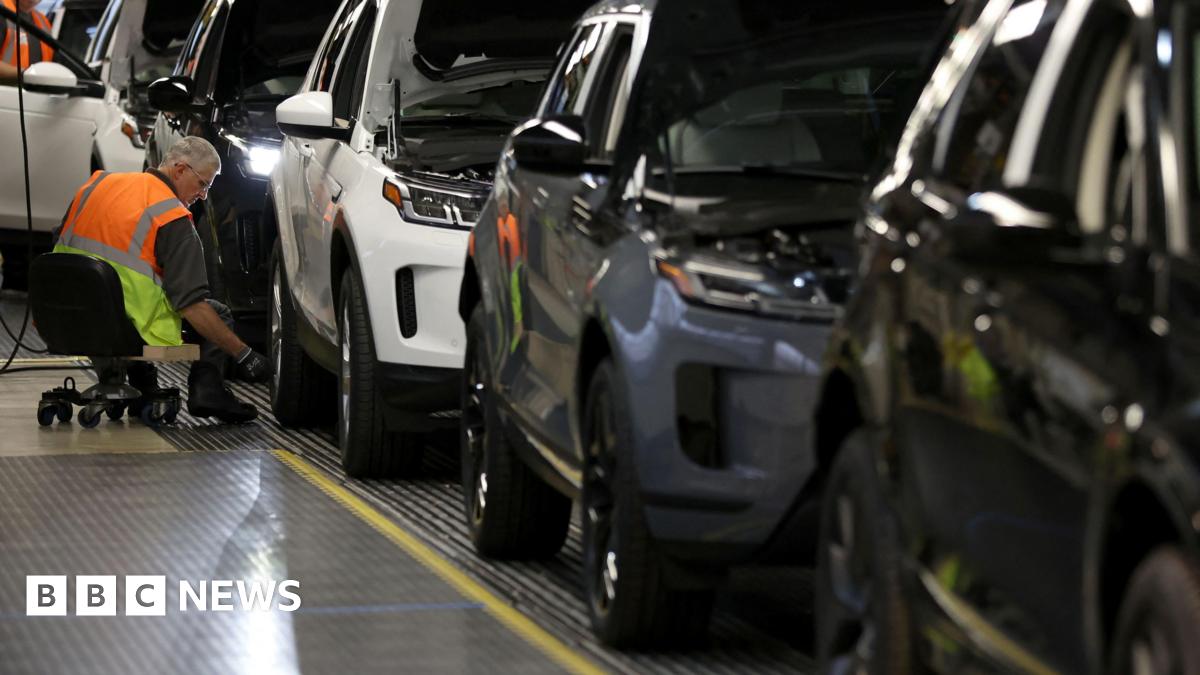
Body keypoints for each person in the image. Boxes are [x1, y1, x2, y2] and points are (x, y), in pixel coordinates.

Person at [55, 136, 270, 423]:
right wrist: (244, 354)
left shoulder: (97, 184)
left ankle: (140, 384)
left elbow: (60, 240)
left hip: (62, 312)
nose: (204, 196)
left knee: (129, 301)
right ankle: (209, 392)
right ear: (180, 170)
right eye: (203, 184)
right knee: (215, 313)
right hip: (120, 324)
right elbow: (192, 305)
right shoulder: (171, 215)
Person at [0, 0, 54, 85]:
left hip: (37, 95)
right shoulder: (2, 11)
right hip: (5, 92)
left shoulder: (44, 22)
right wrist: (26, 74)